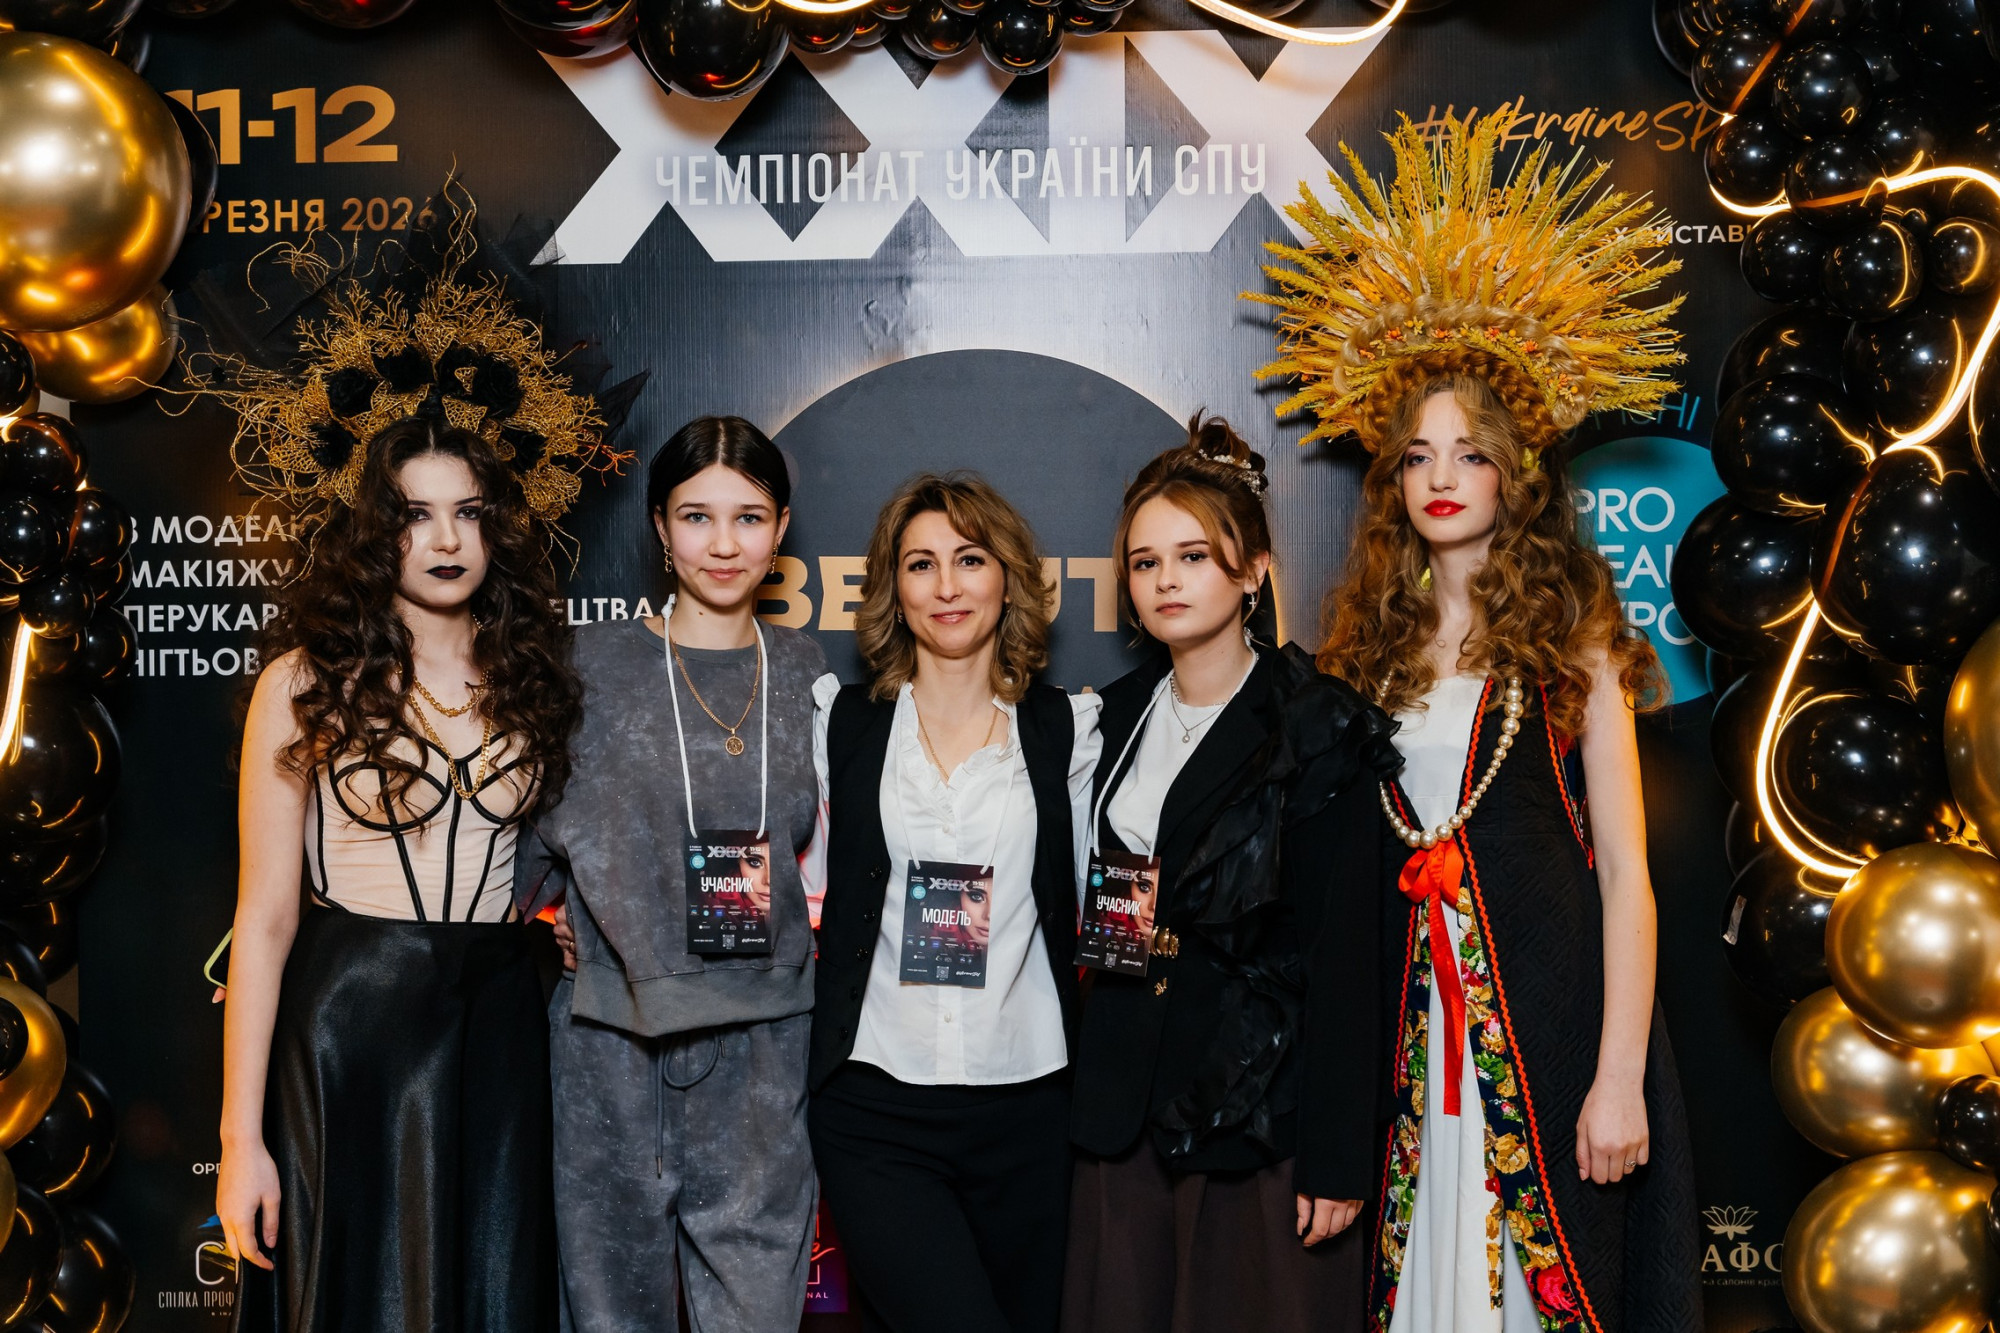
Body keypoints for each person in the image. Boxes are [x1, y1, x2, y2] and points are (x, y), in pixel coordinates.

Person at [1271, 112, 1701, 1333]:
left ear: (1511, 470)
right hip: (1416, 1041)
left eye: (1466, 453)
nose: (1440, 477)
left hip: (1551, 1021)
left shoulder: (1575, 631)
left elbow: (1624, 876)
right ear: (1393, 483)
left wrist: (1617, 1077)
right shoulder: (1362, 649)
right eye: (1416, 457)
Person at [219, 417, 580, 1332]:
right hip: (353, 1028)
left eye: (470, 512)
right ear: (375, 531)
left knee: (492, 1290)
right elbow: (264, 919)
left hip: (499, 1027)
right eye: (417, 514)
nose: (448, 538)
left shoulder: (531, 677)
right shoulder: (304, 682)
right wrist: (239, 1140)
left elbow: (572, 852)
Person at [1062, 416, 1398, 1333]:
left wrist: (1337, 1157)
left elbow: (1344, 954)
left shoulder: (1315, 720)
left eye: (1193, 556)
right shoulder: (1109, 716)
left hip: (1253, 1120)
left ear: (1253, 570)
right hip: (1120, 1111)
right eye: (1144, 562)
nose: (1166, 580)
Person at [523, 416, 825, 1333]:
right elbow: (519, 841)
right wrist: (550, 919)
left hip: (765, 1045)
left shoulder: (809, 673)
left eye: (749, 517)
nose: (724, 544)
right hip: (610, 1046)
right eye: (697, 516)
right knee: (610, 1314)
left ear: (780, 529)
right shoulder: (586, 666)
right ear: (659, 525)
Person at [809, 473, 1101, 1333]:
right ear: (892, 588)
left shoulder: (1069, 731)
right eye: (920, 563)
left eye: (970, 559)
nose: (946, 585)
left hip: (1030, 1106)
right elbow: (796, 881)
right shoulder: (839, 724)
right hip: (875, 1106)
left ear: (1008, 577)